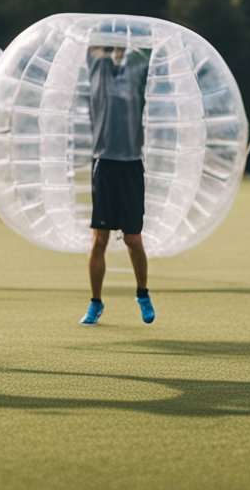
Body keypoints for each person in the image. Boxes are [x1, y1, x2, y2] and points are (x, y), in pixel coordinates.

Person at [81, 46, 155, 325]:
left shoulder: (137, 66)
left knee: (134, 240)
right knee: (99, 239)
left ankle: (142, 293)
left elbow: (147, 52)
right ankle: (95, 303)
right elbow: (93, 46)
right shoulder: (99, 68)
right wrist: (106, 42)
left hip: (131, 164)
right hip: (104, 164)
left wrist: (129, 44)